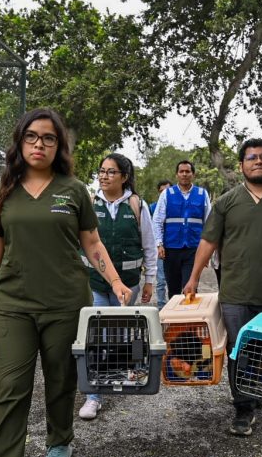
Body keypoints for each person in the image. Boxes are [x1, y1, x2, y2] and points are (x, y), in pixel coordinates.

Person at [0, 108, 132, 457]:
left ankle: (60, 439)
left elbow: (91, 242)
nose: (40, 144)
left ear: (59, 147)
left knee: (61, 379)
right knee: (10, 390)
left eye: (49, 139)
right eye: (32, 137)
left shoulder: (73, 190)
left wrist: (114, 282)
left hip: (64, 303)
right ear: (20, 142)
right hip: (13, 304)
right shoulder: (3, 191)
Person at [183, 138, 262, 436]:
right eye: (251, 157)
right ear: (241, 165)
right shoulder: (227, 202)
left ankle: (256, 389)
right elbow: (208, 241)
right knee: (238, 349)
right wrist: (194, 277)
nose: (258, 161)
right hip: (235, 292)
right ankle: (243, 408)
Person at [78, 153, 158, 420]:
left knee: (122, 333)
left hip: (128, 285)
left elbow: (149, 246)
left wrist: (150, 281)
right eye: (101, 171)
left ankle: (124, 373)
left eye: (111, 172)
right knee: (97, 336)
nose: (104, 176)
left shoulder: (136, 205)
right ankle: (94, 396)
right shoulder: (89, 203)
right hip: (97, 283)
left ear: (124, 177)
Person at [152, 160, 211, 295]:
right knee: (173, 291)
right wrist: (159, 244)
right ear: (177, 174)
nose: (184, 174)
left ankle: (189, 315)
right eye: (181, 171)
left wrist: (207, 253)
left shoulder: (202, 194)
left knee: (190, 289)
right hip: (171, 250)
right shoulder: (167, 194)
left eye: (187, 171)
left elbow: (209, 224)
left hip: (194, 250)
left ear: (193, 174)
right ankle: (174, 315)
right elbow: (157, 221)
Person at [149, 180, 171, 309]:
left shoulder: (176, 206)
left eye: (167, 190)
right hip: (159, 247)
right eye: (162, 191)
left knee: (174, 280)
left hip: (174, 247)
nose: (164, 193)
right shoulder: (152, 207)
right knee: (161, 280)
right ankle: (161, 306)